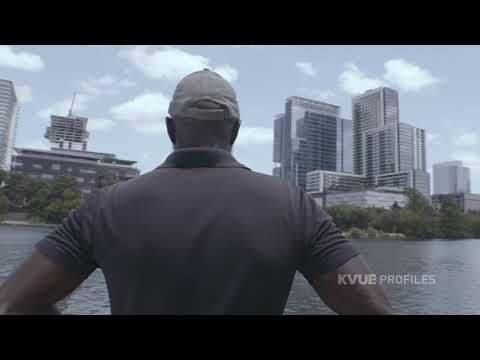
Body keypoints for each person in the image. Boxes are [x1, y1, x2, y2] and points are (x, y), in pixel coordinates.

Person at [0, 69, 392, 315]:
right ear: (235, 131)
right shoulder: (294, 206)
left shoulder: (104, 208)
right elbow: (371, 308)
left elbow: (14, 302)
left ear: (171, 128)